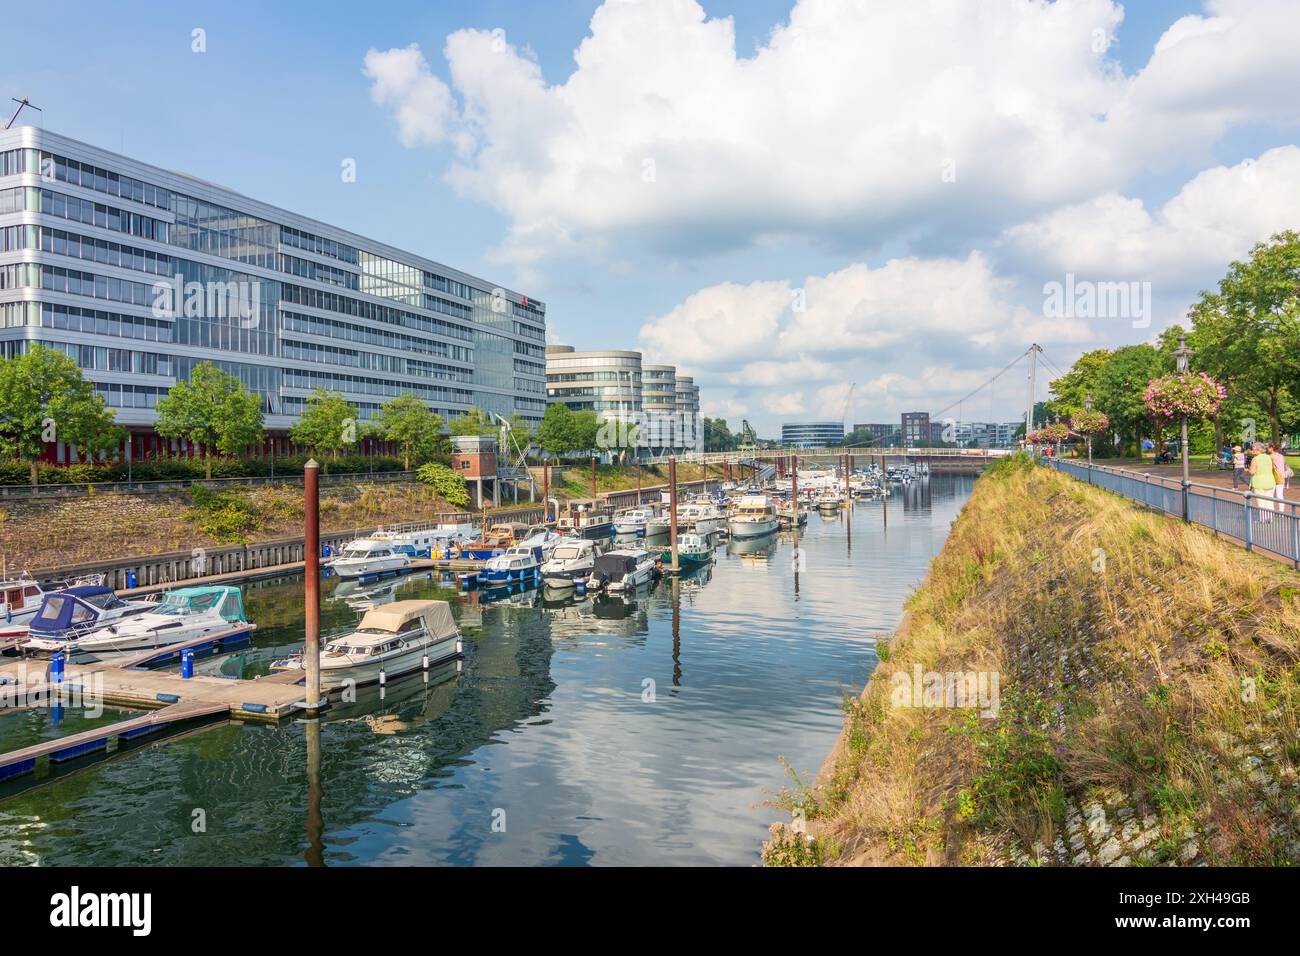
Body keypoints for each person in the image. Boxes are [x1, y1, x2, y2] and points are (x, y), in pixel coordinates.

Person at [1249, 441, 1277, 521]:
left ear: (1258, 450)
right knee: (1270, 500)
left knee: (1261, 501)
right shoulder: (1270, 457)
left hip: (1259, 482)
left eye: (1253, 449)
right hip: (1270, 481)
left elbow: (1252, 471)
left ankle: (1263, 519)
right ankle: (1270, 518)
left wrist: (1246, 471)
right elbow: (1272, 468)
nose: (1252, 451)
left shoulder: (1255, 459)